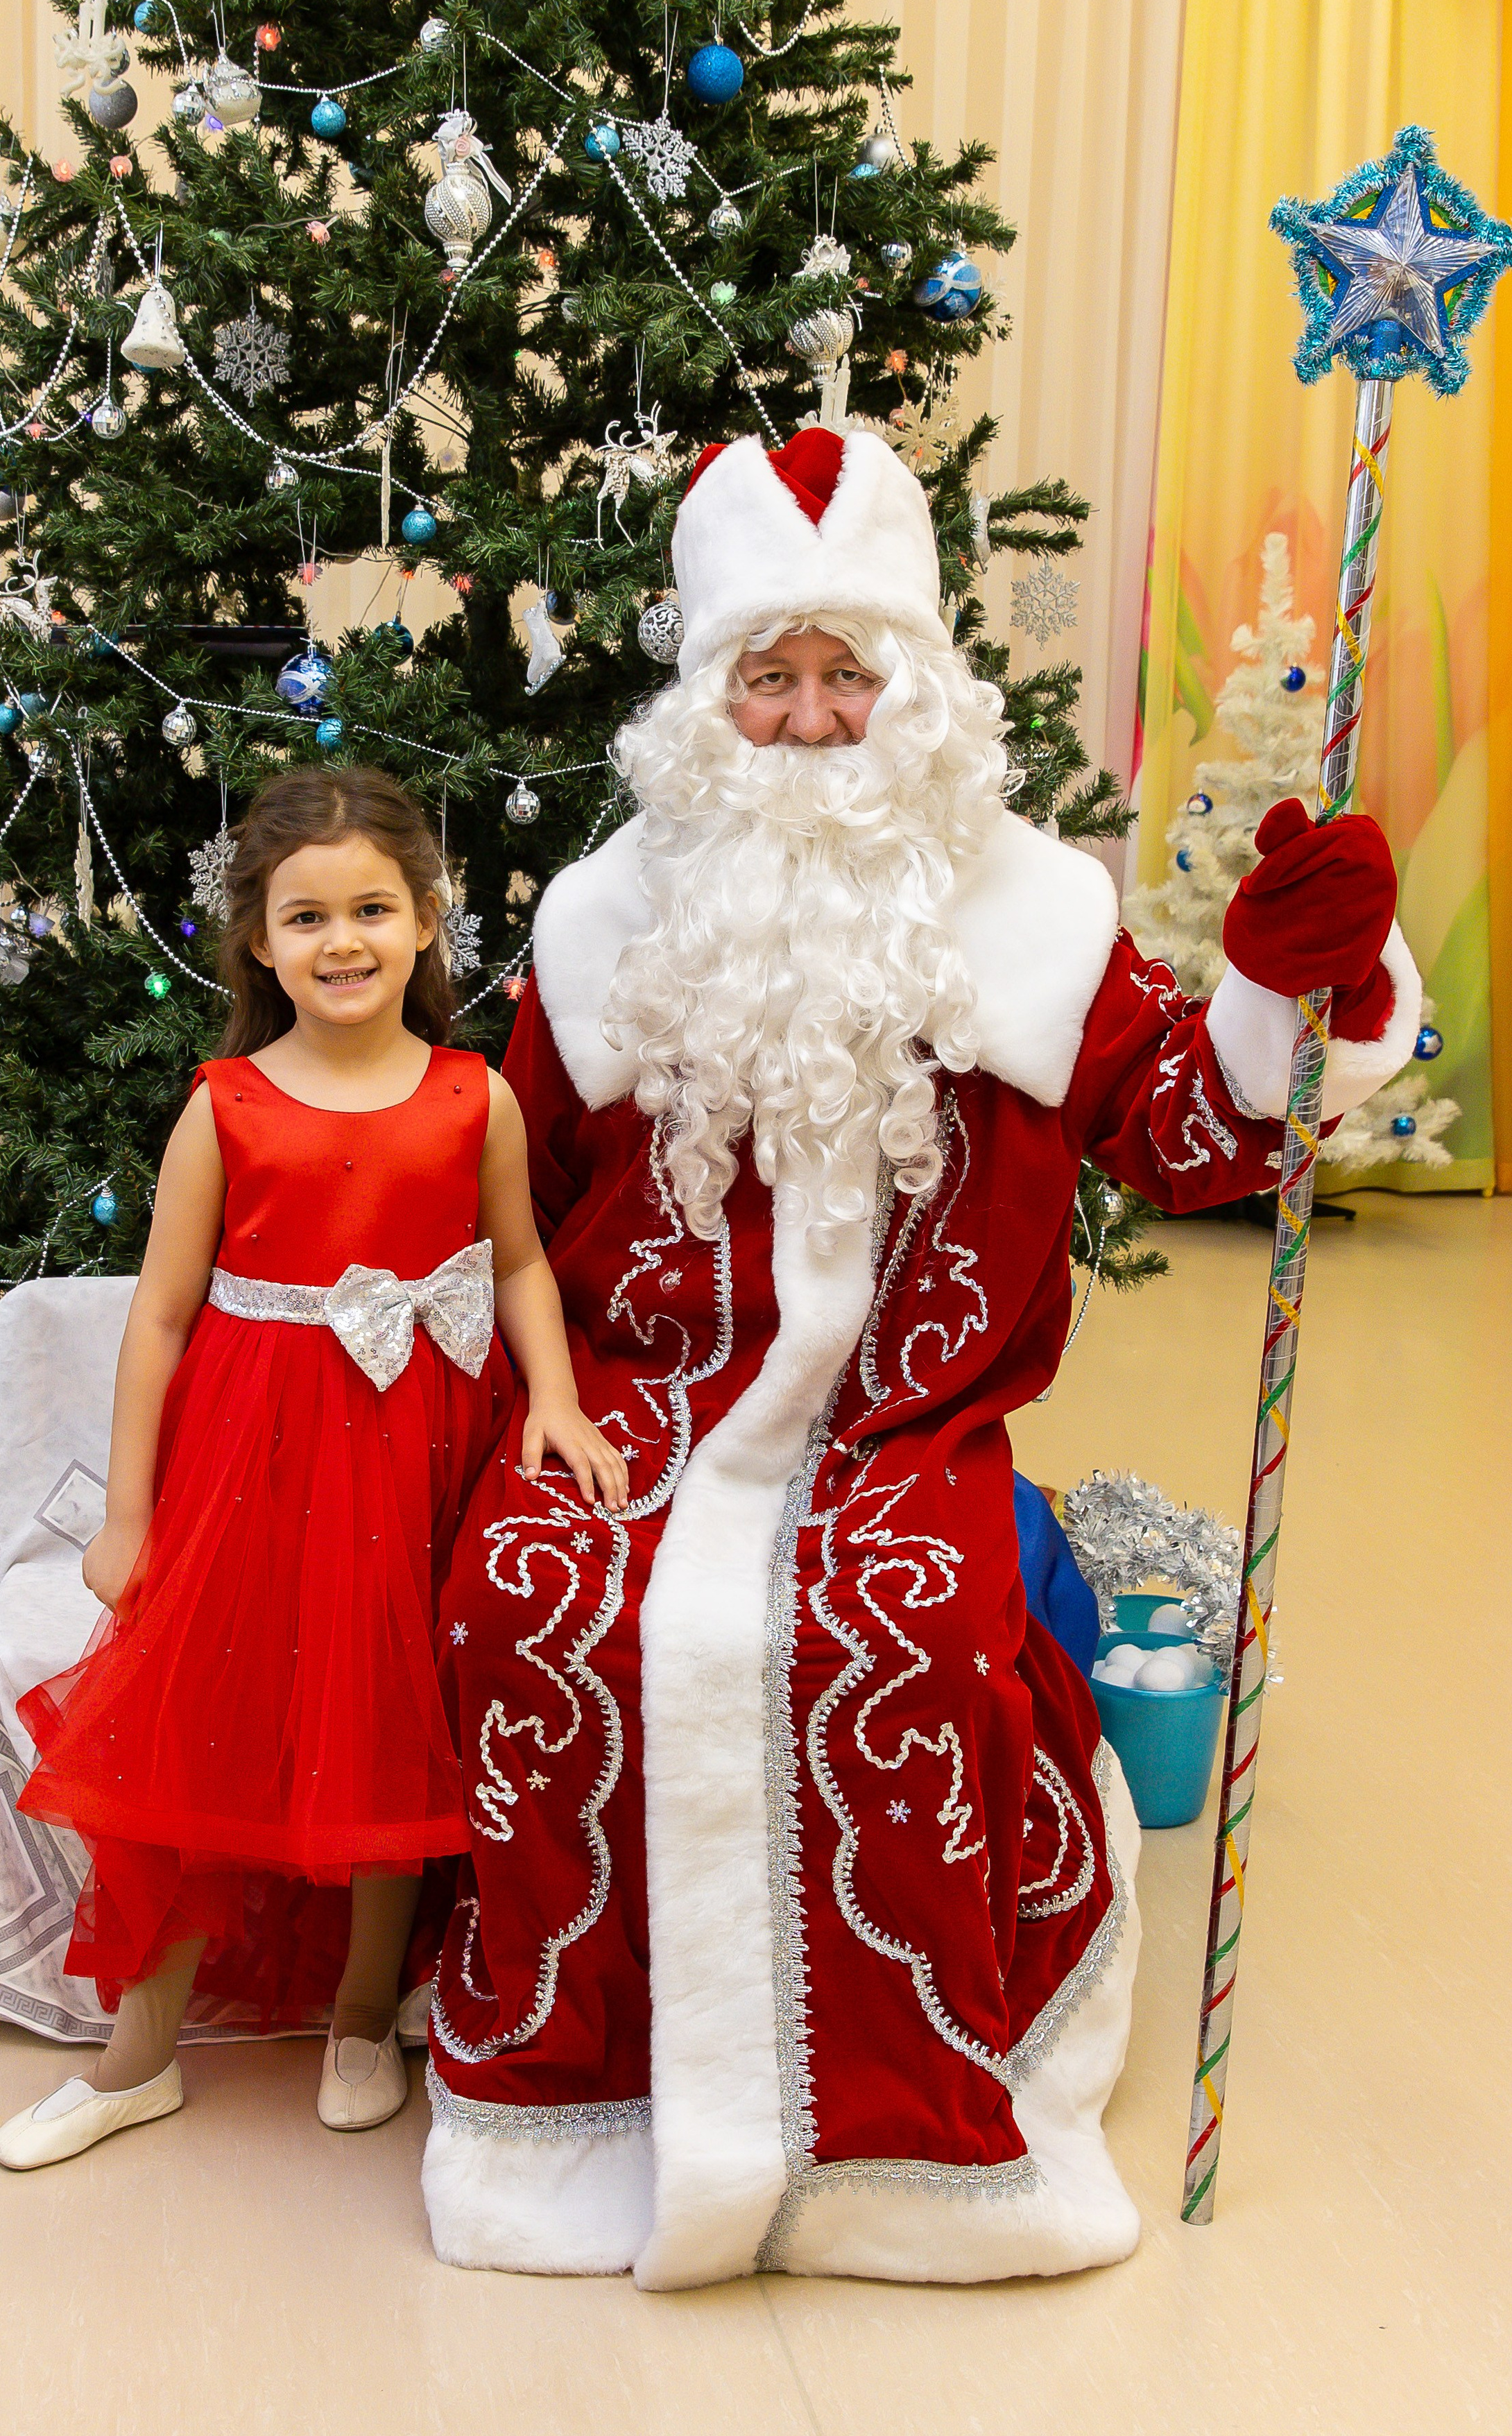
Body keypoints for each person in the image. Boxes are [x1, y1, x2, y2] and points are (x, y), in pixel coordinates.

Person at [422, 429, 1418, 2288]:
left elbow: (1201, 1131)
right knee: (530, 1597)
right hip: (636, 1402)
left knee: (901, 1626)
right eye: (771, 679)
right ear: (709, 700)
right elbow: (495, 1192)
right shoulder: (609, 918)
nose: (811, 721)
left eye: (847, 674)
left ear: (917, 689)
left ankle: (903, 2148)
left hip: (902, 1427)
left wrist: (1295, 994)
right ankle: (565, 2106)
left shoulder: (1029, 912)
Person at [0, 767, 626, 2172]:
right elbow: (160, 1319)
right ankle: (135, 2058)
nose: (341, 940)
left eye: (371, 909)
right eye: (306, 917)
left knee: (393, 1719)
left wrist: (559, 1403)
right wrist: (131, 1517)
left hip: (421, 1454)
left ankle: (358, 2012)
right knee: (197, 1724)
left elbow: (518, 1263)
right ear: (261, 945)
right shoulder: (226, 1106)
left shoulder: (474, 1099)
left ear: (422, 923)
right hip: (255, 1461)